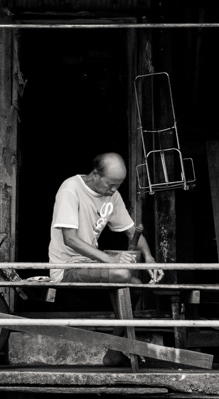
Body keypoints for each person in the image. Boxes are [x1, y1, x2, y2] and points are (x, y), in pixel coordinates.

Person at [48, 153, 163, 367]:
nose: (113, 190)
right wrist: (110, 260)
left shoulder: (113, 195)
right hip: (66, 268)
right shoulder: (70, 189)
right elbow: (70, 239)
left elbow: (131, 232)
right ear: (95, 174)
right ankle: (117, 351)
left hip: (91, 265)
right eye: (111, 184)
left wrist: (149, 258)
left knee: (136, 285)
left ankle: (114, 352)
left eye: (117, 185)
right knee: (122, 273)